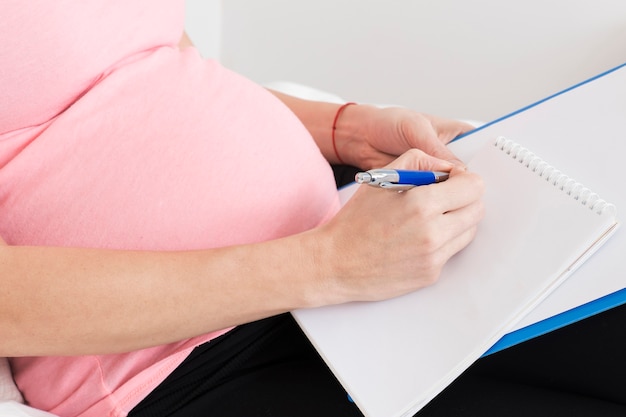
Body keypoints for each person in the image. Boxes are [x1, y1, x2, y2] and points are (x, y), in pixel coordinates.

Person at [0, 1, 483, 416]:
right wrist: (330, 264)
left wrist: (346, 130)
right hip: (185, 358)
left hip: (341, 237)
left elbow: (156, 60)